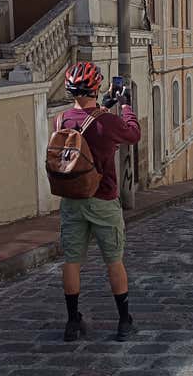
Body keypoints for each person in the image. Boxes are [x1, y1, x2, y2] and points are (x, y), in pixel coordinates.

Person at [57, 61, 141, 342]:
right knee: (114, 261)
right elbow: (133, 134)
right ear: (96, 87)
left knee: (72, 261)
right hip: (103, 197)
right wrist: (126, 106)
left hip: (71, 198)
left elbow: (84, 126)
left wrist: (104, 106)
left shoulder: (62, 120)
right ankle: (124, 320)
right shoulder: (106, 121)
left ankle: (72, 322)